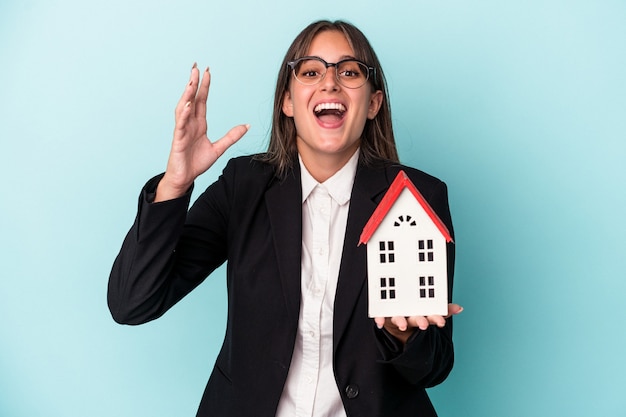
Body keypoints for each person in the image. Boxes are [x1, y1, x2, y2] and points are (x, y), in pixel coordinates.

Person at [108, 19, 462, 417]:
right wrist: (174, 184)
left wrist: (404, 336)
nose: (330, 82)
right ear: (288, 103)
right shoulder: (243, 186)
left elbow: (434, 367)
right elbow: (131, 303)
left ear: (374, 104)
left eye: (349, 71)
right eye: (311, 71)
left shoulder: (416, 198)